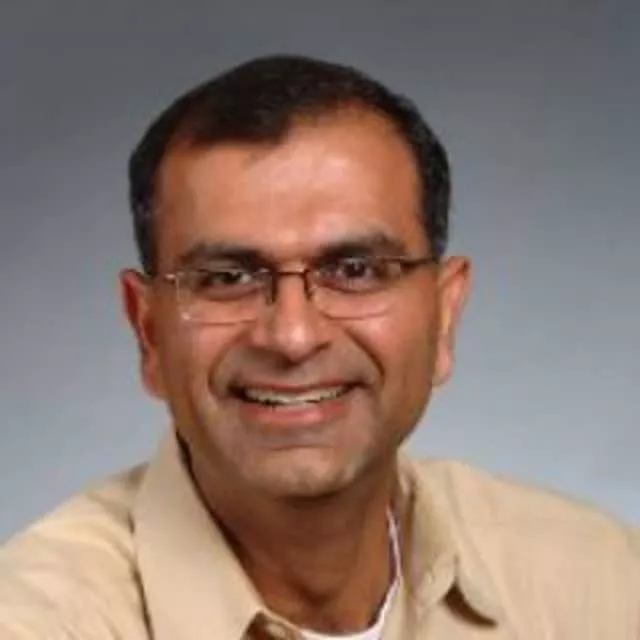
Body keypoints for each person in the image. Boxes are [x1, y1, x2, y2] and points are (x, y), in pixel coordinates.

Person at [0, 54, 638, 639]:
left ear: (444, 315)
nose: (293, 336)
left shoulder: (600, 583)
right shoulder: (39, 621)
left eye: (356, 270)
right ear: (149, 332)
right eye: (227, 278)